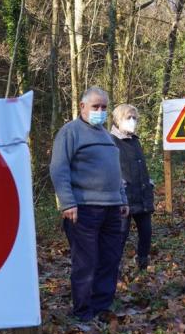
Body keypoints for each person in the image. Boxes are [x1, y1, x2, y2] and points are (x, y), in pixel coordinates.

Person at [49, 86, 130, 321]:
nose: (100, 111)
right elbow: (58, 168)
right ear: (82, 107)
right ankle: (83, 312)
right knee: (86, 262)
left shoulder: (106, 135)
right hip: (83, 208)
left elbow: (115, 172)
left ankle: (101, 306)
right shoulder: (70, 132)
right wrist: (67, 203)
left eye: (104, 107)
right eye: (96, 106)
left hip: (112, 208)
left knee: (110, 258)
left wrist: (122, 199)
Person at [110, 104, 155, 270]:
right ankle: (113, 269)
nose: (132, 121)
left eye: (134, 118)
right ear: (118, 120)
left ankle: (142, 263)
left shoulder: (136, 141)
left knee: (146, 233)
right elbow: (110, 169)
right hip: (123, 199)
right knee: (120, 235)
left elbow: (141, 168)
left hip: (142, 196)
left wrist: (149, 184)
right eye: (128, 118)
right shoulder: (111, 141)